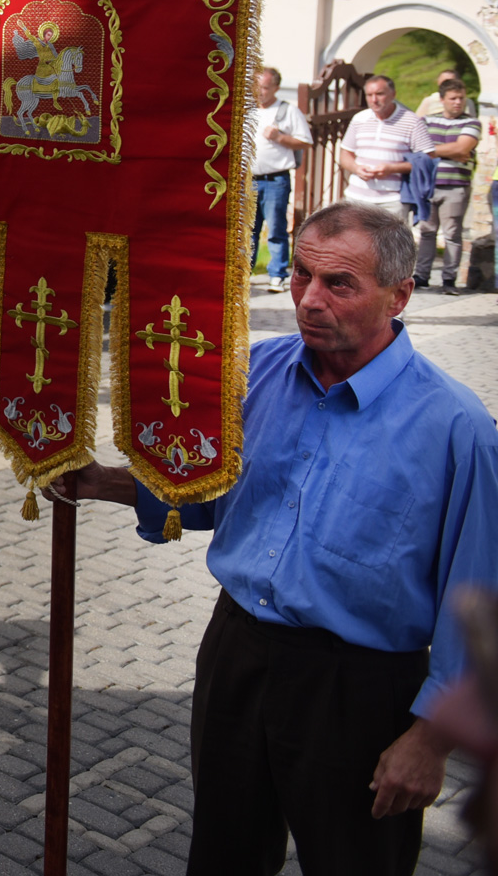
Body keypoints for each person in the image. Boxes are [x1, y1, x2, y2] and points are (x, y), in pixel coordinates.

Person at [57, 202, 497, 876]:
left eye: (339, 283)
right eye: (300, 274)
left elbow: (477, 597)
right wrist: (99, 482)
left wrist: (429, 740)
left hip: (359, 689)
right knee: (225, 854)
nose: (309, 299)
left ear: (400, 294)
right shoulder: (255, 375)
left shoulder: (458, 428)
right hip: (239, 653)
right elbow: (210, 496)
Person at [250, 65, 315, 294]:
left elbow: (305, 141)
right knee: (248, 230)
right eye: (257, 87)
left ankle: (277, 274)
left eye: (265, 88)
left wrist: (280, 137)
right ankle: (244, 273)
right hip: (248, 179)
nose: (260, 92)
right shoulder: (247, 109)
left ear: (276, 88)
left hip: (275, 179)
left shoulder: (288, 111)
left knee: (276, 227)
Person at [340, 75, 434, 220]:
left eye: (379, 94)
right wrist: (356, 168)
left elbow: (428, 159)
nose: (374, 100)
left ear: (393, 94)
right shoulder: (359, 118)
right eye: (369, 95)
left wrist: (392, 169)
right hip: (356, 197)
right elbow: (345, 154)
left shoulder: (412, 121)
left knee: (389, 243)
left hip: (392, 200)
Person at [418, 79, 479, 294]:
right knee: (426, 231)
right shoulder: (426, 121)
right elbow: (417, 146)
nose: (458, 102)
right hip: (428, 185)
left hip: (455, 185)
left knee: (452, 233)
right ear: (442, 99)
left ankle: (449, 279)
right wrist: (453, 151)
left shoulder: (471, 123)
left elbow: (464, 146)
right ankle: (422, 276)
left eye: (461, 98)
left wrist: (432, 149)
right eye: (453, 98)